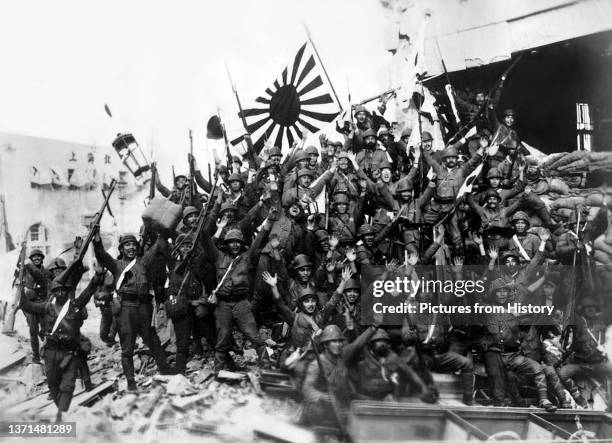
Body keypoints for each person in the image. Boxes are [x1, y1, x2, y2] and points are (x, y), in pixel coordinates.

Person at [93, 231, 177, 390]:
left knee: (154, 342)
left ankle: (166, 372)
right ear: (122, 249)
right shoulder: (116, 265)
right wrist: (96, 240)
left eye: (133, 245)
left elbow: (157, 246)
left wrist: (162, 231)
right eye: (127, 245)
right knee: (127, 347)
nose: (131, 248)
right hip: (126, 309)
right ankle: (131, 383)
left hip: (144, 308)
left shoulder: (144, 262)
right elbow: (101, 254)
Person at [19, 270, 104, 422]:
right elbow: (25, 305)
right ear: (53, 292)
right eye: (57, 290)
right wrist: (21, 289)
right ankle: (62, 411)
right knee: (53, 385)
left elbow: (89, 291)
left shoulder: (75, 305)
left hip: (69, 353)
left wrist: (97, 277)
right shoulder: (46, 307)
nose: (60, 293)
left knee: (68, 386)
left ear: (67, 292)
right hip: (51, 352)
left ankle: (61, 416)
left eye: (63, 290)